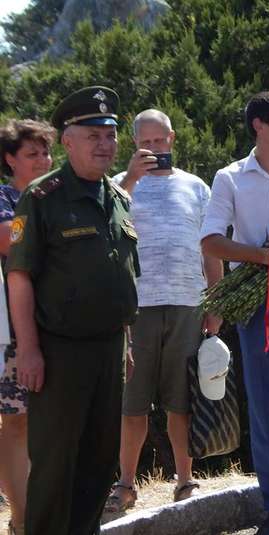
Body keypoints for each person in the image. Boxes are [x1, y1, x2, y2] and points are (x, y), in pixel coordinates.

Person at [7, 86, 140, 535]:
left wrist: (126, 341)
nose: (105, 144)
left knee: (99, 463)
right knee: (55, 464)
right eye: (93, 135)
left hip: (109, 348)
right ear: (68, 141)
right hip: (59, 351)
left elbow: (120, 276)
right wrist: (28, 349)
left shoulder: (118, 198)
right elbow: (20, 277)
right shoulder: (43, 197)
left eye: (110, 135)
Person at [200, 91, 269, 535]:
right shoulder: (229, 177)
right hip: (257, 302)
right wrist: (265, 257)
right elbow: (210, 241)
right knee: (263, 402)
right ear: (258, 126)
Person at [104, 109, 223, 512]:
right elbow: (105, 232)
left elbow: (211, 247)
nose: (154, 149)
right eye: (146, 143)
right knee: (132, 403)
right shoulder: (117, 185)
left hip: (189, 303)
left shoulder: (196, 186)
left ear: (172, 139)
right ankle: (125, 484)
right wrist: (131, 179)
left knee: (182, 401)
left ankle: (185, 480)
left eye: (159, 141)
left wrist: (216, 302)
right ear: (134, 144)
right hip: (135, 309)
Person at [0, 118, 56, 535]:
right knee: (16, 422)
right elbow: (9, 239)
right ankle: (22, 521)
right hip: (11, 332)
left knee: (55, 424)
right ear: (10, 160)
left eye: (46, 152)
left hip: (60, 326)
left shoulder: (60, 196)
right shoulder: (5, 198)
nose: (43, 160)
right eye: (31, 153)